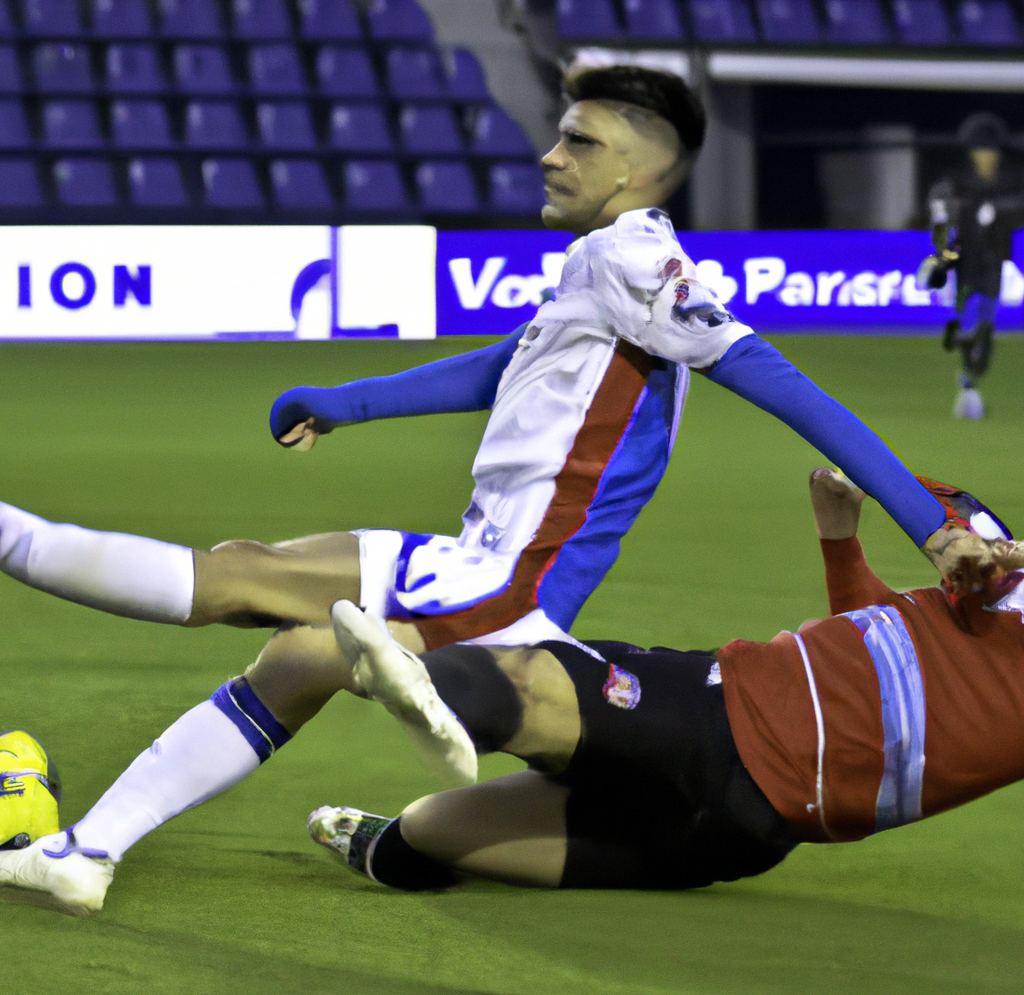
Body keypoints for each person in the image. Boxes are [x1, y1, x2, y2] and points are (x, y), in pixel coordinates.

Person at [1, 67, 951, 663]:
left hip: (507, 587)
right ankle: (95, 848)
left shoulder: (635, 261)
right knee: (270, 613)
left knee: (250, 596)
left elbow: (783, 385)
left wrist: (932, 526)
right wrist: (349, 402)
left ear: (634, 172)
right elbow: (506, 367)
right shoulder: (600, 262)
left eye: (577, 141)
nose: (548, 157)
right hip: (484, 558)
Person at [1, 469, 1016, 910]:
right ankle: (412, 708)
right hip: (725, 766)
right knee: (472, 764)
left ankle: (419, 688)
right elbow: (880, 632)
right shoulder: (991, 586)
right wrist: (844, 540)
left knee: (476, 761)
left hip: (735, 780)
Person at [918, 112, 1024, 419]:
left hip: (993, 261)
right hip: (964, 263)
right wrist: (942, 252)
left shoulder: (1009, 182)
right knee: (969, 314)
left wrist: (997, 212)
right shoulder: (956, 181)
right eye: (980, 152)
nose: (985, 158)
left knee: (986, 323)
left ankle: (973, 372)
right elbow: (941, 216)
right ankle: (966, 369)